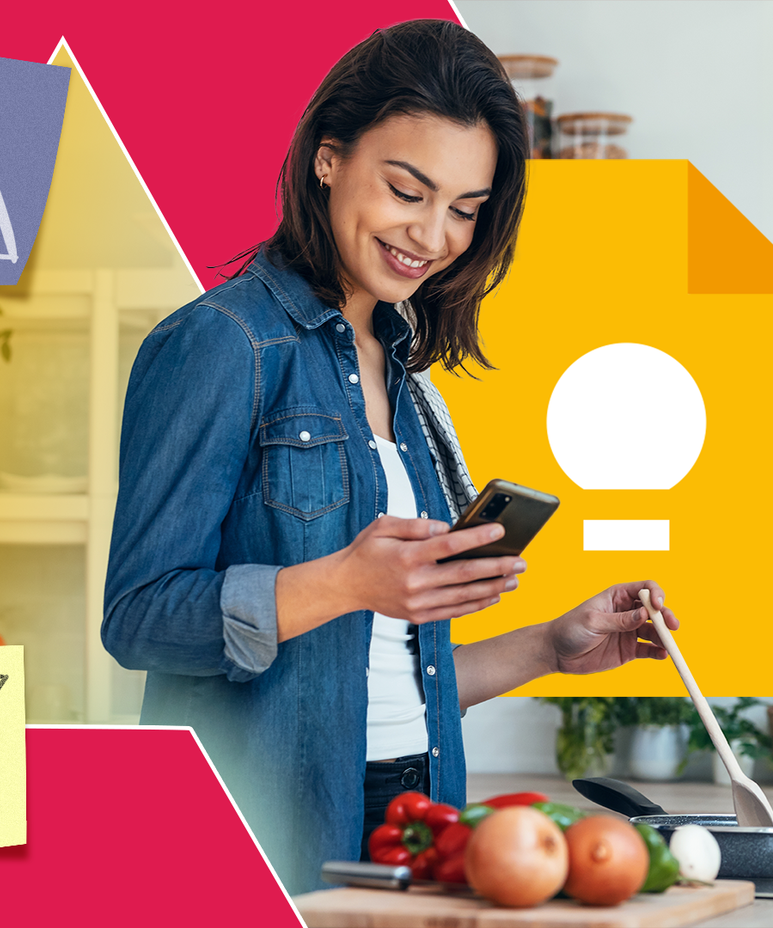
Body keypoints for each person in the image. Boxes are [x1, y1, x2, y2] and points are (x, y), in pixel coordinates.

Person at [102, 19, 679, 895]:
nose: (434, 235)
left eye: (465, 210)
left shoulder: (407, 376)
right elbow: (138, 618)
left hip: (421, 815)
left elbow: (386, 677)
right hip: (269, 829)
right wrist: (344, 582)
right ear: (329, 158)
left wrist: (551, 647)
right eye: (408, 190)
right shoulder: (223, 345)